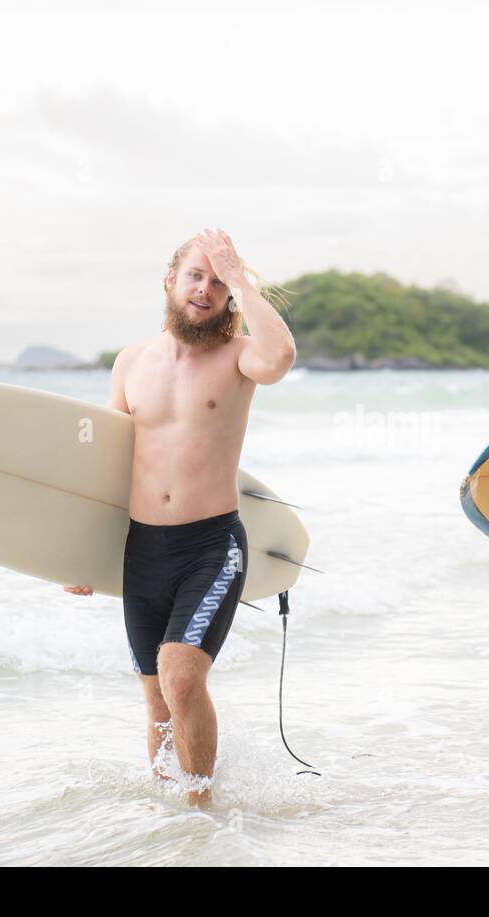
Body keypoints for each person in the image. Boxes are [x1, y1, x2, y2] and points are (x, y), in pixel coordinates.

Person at [65, 228, 296, 806]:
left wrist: (242, 278)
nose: (206, 289)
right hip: (142, 550)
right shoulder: (130, 363)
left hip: (211, 547)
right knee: (157, 699)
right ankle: (170, 820)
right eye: (196, 275)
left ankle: (201, 815)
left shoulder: (238, 357)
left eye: (218, 282)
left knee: (180, 673)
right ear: (171, 282)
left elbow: (282, 357)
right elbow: (108, 469)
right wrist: (77, 555)